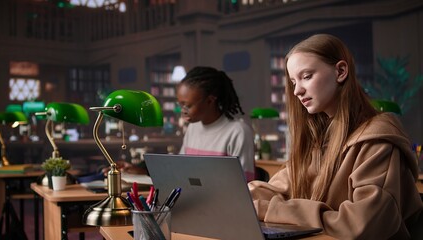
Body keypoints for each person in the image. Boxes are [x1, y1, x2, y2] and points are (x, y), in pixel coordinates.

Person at [248, 34, 423, 239]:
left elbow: (364, 223)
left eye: (306, 76)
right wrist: (240, 199)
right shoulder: (318, 138)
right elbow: (276, 187)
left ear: (340, 71)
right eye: (293, 81)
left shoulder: (378, 138)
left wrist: (273, 210)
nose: (297, 90)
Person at [177, 66, 255, 181]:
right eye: (180, 104)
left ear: (210, 100)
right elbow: (179, 169)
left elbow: (245, 183)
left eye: (188, 106)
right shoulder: (192, 128)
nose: (183, 110)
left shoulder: (238, 132)